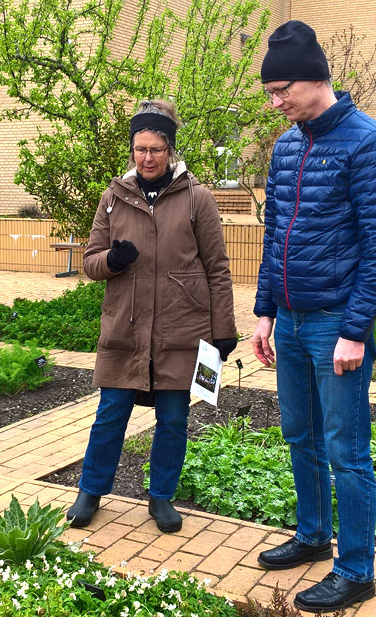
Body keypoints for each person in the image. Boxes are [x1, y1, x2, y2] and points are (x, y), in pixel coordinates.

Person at [250, 20, 376, 613]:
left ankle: (356, 569)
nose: (275, 101)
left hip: (335, 322)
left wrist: (354, 330)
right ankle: (313, 535)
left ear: (316, 79)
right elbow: (273, 237)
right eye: (269, 92)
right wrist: (265, 313)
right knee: (300, 436)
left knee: (347, 450)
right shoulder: (288, 145)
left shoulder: (370, 144)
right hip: (288, 320)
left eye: (281, 88)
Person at [67, 99, 237, 534]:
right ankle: (91, 490)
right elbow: (90, 263)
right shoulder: (113, 198)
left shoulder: (197, 198)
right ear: (132, 150)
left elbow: (217, 267)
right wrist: (114, 260)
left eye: (156, 149)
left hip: (183, 329)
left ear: (171, 150)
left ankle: (161, 497)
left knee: (174, 420)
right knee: (111, 413)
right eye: (140, 148)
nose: (147, 157)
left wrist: (223, 331)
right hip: (126, 325)